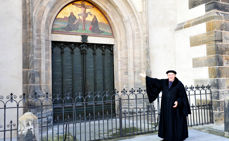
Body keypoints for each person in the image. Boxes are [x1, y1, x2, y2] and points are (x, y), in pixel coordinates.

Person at [140, 70, 191, 141]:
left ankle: (177, 137)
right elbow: (155, 81)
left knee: (175, 123)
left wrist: (178, 102)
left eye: (172, 74)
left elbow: (182, 97)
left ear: (175, 75)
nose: (170, 76)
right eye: (169, 75)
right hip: (166, 107)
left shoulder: (179, 84)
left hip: (175, 109)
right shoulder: (164, 82)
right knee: (167, 122)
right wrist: (146, 77)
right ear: (167, 76)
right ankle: (167, 137)